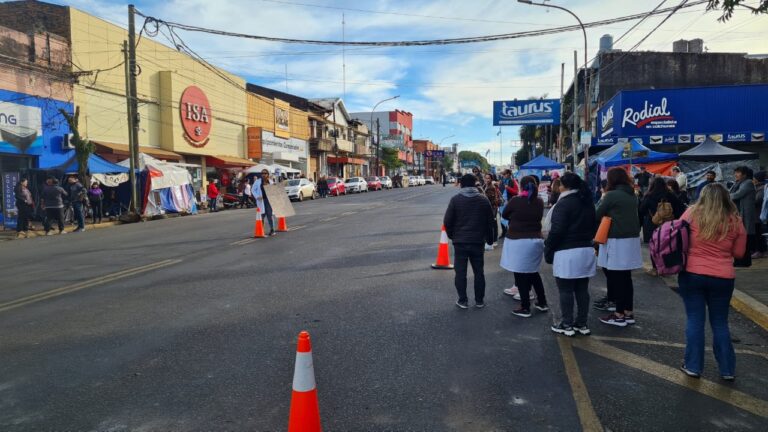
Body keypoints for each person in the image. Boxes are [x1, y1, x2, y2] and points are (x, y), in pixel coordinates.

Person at [678, 183, 746, 380]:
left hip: (692, 273)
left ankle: (693, 366)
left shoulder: (691, 213)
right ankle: (727, 370)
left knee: (695, 320)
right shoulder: (735, 220)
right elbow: (739, 253)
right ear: (727, 198)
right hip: (723, 277)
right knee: (720, 323)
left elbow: (677, 239)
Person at [544, 172, 597, 336]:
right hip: (586, 250)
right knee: (582, 289)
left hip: (567, 251)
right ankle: (581, 323)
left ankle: (566, 324)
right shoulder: (587, 202)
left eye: (559, 185)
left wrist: (548, 247)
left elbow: (557, 231)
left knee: (565, 290)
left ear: (564, 186)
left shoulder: (563, 204)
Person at [596, 168, 643, 327]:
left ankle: (619, 314)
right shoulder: (632, 195)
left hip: (616, 239)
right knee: (626, 278)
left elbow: (597, 214)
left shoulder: (611, 195)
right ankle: (628, 312)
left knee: (617, 279)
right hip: (631, 239)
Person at [443, 174, 495, 309]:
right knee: (479, 272)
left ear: (461, 184)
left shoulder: (456, 200)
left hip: (460, 242)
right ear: (475, 184)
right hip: (478, 242)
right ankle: (479, 301)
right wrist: (490, 239)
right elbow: (490, 222)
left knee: (460, 273)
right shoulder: (483, 200)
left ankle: (463, 300)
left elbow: (447, 221)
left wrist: (452, 236)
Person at [500, 176, 548, 318]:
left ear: (521, 186)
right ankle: (542, 302)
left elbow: (505, 213)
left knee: (519, 273)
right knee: (533, 272)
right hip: (535, 240)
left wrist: (515, 219)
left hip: (517, 241)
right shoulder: (539, 201)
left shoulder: (516, 201)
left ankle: (525, 307)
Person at [639, 177, 683, 244]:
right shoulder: (671, 195)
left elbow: (642, 210)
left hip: (652, 226)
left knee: (654, 248)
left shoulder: (648, 196)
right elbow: (680, 209)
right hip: (669, 226)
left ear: (652, 185)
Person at [730, 166, 756, 267]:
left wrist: (725, 196)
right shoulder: (737, 183)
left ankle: (744, 262)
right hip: (740, 215)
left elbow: (737, 195)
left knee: (745, 239)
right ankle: (739, 261)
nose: (735, 174)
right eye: (735, 172)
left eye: (738, 172)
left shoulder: (748, 183)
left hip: (746, 216)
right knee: (740, 238)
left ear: (744, 174)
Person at [482, 174, 502, 250]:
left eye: (488, 178)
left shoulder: (491, 187)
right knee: (491, 224)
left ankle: (494, 240)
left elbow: (491, 200)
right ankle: (491, 240)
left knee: (493, 224)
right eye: (486, 178)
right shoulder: (485, 185)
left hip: (492, 208)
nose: (487, 180)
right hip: (487, 208)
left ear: (491, 179)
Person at [254, 170, 277, 236]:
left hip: (269, 200)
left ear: (267, 174)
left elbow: (274, 191)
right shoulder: (258, 181)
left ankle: (272, 230)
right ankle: (261, 230)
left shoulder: (270, 181)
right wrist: (257, 196)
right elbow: (253, 190)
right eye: (262, 173)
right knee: (261, 215)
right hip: (261, 200)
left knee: (269, 215)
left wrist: (275, 186)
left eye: (265, 173)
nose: (263, 174)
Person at [752, 171, 766, 259]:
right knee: (758, 234)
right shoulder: (758, 187)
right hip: (757, 215)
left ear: (757, 180)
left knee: (759, 234)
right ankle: (761, 251)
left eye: (754, 179)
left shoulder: (761, 188)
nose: (752, 180)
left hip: (758, 215)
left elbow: (757, 200)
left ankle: (760, 251)